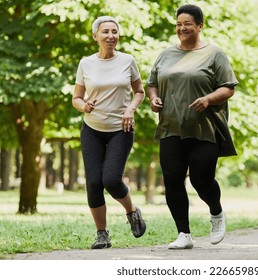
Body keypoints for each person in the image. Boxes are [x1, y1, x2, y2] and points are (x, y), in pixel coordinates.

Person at [146, 4, 238, 249]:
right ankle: (183, 234)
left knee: (201, 179)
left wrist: (208, 99)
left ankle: (216, 213)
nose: (181, 28)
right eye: (178, 24)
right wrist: (153, 98)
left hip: (204, 128)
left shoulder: (214, 54)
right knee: (173, 180)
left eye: (187, 24)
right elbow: (152, 82)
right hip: (170, 127)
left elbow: (228, 87)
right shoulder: (165, 54)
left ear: (200, 25)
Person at [72, 16, 146, 249]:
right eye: (105, 32)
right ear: (96, 36)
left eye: (114, 31)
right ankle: (102, 234)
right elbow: (76, 97)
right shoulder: (86, 63)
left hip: (120, 129)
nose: (111, 36)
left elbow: (139, 92)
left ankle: (132, 212)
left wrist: (130, 110)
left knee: (112, 179)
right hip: (92, 129)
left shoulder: (128, 60)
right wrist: (83, 105)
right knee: (94, 182)